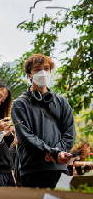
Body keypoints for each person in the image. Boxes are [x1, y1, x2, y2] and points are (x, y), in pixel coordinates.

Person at [11, 53, 75, 189]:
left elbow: (69, 134)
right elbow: (25, 137)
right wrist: (52, 152)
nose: (43, 72)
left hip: (60, 167)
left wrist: (58, 153)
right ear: (29, 74)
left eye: (46, 69)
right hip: (32, 170)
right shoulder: (20, 104)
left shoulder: (62, 102)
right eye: (37, 69)